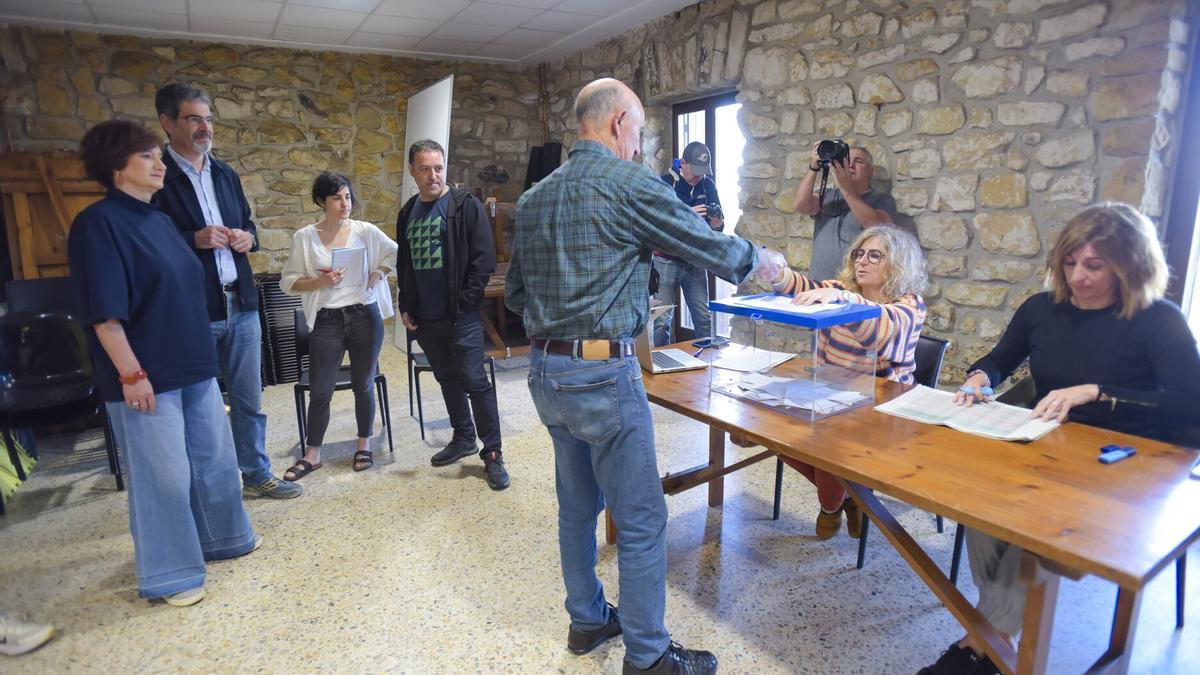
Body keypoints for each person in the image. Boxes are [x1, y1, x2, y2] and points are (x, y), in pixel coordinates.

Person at [505, 77, 785, 675]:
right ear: (617, 123)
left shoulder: (533, 199)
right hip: (604, 375)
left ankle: (587, 619)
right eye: (638, 129)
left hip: (546, 374)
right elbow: (704, 242)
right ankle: (650, 656)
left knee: (576, 508)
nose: (640, 142)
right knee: (640, 518)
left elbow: (517, 297)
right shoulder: (630, 182)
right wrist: (763, 262)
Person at [919, 202, 1200, 675]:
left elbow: (1190, 401)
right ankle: (995, 632)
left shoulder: (1157, 319)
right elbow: (1000, 359)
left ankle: (984, 644)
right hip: (1051, 444)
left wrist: (1098, 391)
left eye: (1094, 265)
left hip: (1129, 463)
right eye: (1070, 263)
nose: (1078, 277)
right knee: (978, 498)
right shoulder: (1042, 309)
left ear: (1130, 265)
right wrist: (978, 378)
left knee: (1033, 518)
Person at [69, 120, 258, 607]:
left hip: (194, 365)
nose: (159, 164)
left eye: (158, 155)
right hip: (145, 374)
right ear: (117, 168)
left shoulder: (160, 220)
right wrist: (131, 374)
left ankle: (222, 540)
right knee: (164, 477)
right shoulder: (98, 224)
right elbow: (104, 315)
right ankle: (171, 573)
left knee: (214, 463)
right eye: (147, 157)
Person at [153, 83, 301, 499]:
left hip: (242, 302)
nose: (205, 127)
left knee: (248, 399)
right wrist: (193, 239)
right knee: (198, 406)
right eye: (194, 118)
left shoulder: (225, 173)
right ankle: (204, 486)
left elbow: (250, 226)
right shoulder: (158, 177)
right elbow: (148, 242)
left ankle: (256, 473)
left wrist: (247, 239)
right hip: (194, 310)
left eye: (209, 118)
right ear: (168, 123)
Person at [769, 226, 927, 539]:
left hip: (881, 408)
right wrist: (775, 272)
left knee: (829, 441)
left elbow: (878, 329)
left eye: (875, 255)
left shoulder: (910, 304)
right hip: (828, 394)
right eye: (859, 254)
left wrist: (842, 297)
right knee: (772, 428)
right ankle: (852, 496)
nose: (862, 261)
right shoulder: (840, 288)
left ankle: (830, 507)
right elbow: (801, 288)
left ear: (898, 263)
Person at [396, 139, 509, 491]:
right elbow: (405, 262)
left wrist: (467, 302)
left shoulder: (464, 206)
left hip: (461, 315)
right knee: (446, 376)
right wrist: (405, 304)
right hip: (426, 316)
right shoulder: (408, 211)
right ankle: (463, 437)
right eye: (425, 168)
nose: (433, 175)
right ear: (413, 170)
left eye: (438, 167)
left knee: (475, 381)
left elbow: (483, 260)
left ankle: (492, 454)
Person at [280, 172, 397, 478]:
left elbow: (395, 251)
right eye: (336, 198)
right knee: (320, 390)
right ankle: (313, 454)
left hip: (364, 315)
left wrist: (381, 271)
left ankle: (364, 445)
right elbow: (288, 282)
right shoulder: (305, 237)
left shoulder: (365, 230)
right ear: (321, 201)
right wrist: (320, 280)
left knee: (363, 384)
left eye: (347, 196)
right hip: (327, 319)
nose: (344, 203)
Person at [792, 142, 900, 282]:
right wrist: (814, 167)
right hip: (819, 283)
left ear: (870, 171)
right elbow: (800, 205)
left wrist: (846, 187)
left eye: (858, 161)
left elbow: (874, 224)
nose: (850, 165)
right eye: (847, 160)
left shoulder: (881, 200)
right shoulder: (828, 195)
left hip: (855, 287)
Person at [652, 141, 724, 346]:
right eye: (695, 171)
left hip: (695, 261)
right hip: (666, 260)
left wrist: (717, 223)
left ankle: (707, 366)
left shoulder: (708, 185)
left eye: (703, 172)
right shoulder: (665, 184)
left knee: (703, 317)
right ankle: (659, 366)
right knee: (661, 320)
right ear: (682, 163)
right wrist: (687, 215)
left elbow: (717, 228)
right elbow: (655, 224)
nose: (699, 177)